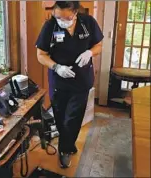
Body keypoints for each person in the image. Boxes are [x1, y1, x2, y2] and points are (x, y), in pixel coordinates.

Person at [36, 1, 103, 168]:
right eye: (57, 16)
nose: (61, 21)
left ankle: (64, 150)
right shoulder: (50, 26)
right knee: (59, 116)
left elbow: (99, 45)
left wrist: (90, 52)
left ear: (75, 13)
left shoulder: (88, 23)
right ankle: (69, 144)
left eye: (66, 18)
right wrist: (56, 67)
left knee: (73, 117)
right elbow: (41, 54)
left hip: (81, 80)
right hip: (59, 80)